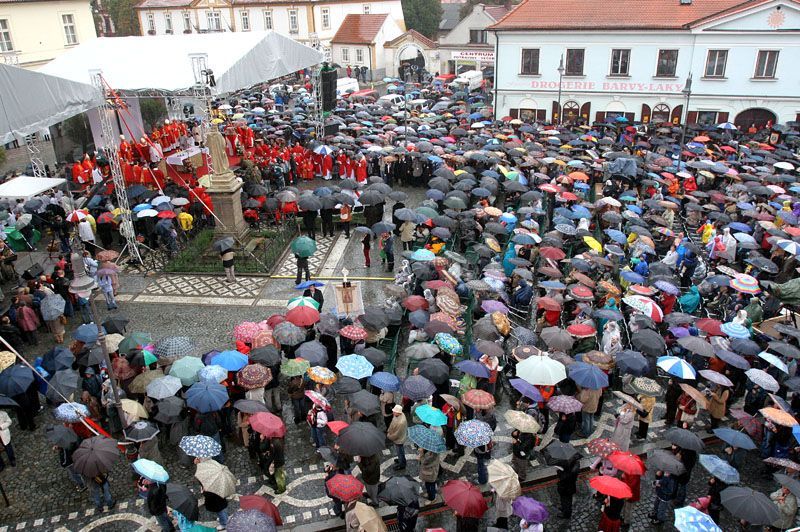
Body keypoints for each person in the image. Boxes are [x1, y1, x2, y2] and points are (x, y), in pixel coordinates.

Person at [387, 404, 407, 470]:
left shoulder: (400, 422)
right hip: (400, 438)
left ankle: (401, 465)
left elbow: (396, 434)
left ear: (398, 412)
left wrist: (389, 436)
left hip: (399, 439)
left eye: (394, 411)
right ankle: (402, 461)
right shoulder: (399, 415)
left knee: (400, 451)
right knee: (400, 451)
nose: (393, 412)